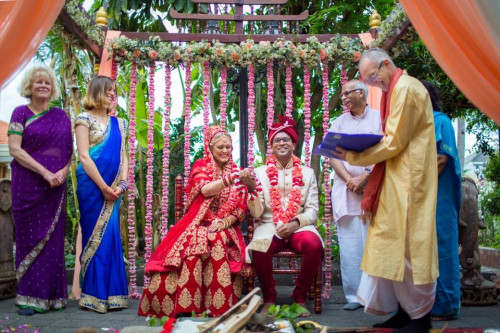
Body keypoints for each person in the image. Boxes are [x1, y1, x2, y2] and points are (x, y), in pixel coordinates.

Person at [334, 48, 438, 332]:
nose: (373, 85)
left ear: (387, 64)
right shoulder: (396, 88)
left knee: (410, 249)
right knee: (391, 246)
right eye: (368, 81)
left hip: (410, 181)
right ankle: (406, 311)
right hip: (396, 179)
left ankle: (421, 317)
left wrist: (354, 156)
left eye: (372, 77)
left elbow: (393, 143)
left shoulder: (405, 88)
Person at [138, 125, 249, 318]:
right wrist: (230, 179)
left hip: (226, 225)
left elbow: (240, 208)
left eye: (228, 147)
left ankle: (217, 306)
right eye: (220, 147)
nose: (225, 151)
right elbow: (205, 190)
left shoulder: (237, 171)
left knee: (218, 239)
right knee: (197, 241)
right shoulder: (201, 166)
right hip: (198, 222)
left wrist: (223, 223)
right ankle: (187, 304)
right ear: (210, 148)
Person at [240, 116, 324, 317]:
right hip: (269, 226)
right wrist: (252, 191)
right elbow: (257, 213)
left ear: (294, 144)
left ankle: (300, 297)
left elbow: (312, 210)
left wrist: (295, 223)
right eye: (277, 140)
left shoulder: (307, 173)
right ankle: (269, 298)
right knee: (259, 246)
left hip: (300, 226)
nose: (282, 143)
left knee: (314, 245)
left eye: (286, 139)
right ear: (272, 146)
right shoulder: (259, 173)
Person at [8, 65, 73, 315]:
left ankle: (53, 297)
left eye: (47, 82)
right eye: (38, 82)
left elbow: (69, 151)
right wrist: (44, 172)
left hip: (55, 187)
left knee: (53, 241)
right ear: (29, 87)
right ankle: (28, 297)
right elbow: (15, 149)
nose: (43, 86)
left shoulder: (60, 115)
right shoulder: (20, 113)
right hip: (28, 186)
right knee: (29, 239)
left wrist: (63, 171)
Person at [75, 76, 129, 313]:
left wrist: (122, 185)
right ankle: (92, 295)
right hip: (92, 188)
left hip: (114, 189)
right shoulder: (83, 119)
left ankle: (113, 294)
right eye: (108, 90)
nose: (112, 94)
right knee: (93, 236)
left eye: (114, 91)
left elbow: (123, 156)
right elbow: (84, 156)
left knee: (111, 236)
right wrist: (104, 188)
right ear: (96, 91)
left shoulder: (120, 123)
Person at [329, 80, 381, 311]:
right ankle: (354, 297)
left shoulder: (379, 118)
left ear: (361, 93)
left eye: (347, 93)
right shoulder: (339, 122)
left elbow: (386, 150)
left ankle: (377, 296)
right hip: (346, 191)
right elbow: (332, 155)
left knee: (375, 242)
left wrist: (366, 176)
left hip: (374, 187)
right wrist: (350, 179)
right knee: (350, 245)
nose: (343, 98)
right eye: (342, 95)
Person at [422, 81, 461, 320]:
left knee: (442, 247)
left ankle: (447, 306)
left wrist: (417, 188)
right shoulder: (413, 125)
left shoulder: (441, 121)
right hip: (418, 199)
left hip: (439, 197)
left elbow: (440, 160)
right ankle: (421, 306)